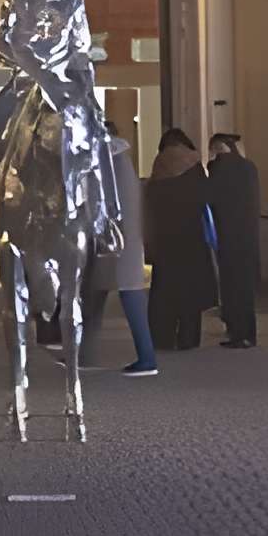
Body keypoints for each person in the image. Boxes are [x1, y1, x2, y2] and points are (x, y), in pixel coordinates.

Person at [82, 133, 160, 378]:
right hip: (122, 244)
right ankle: (84, 354)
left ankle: (147, 359)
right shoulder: (122, 166)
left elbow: (98, 203)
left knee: (126, 297)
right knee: (102, 295)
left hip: (117, 245)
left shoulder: (110, 167)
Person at [144, 131, 216, 352]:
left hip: (166, 238)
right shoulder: (195, 165)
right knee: (189, 291)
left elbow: (151, 202)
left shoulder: (160, 165)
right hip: (191, 236)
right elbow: (205, 198)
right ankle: (188, 337)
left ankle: (161, 337)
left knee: (164, 290)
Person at [207, 132, 263, 348]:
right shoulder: (249, 168)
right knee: (245, 287)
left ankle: (236, 332)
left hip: (227, 236)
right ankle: (248, 332)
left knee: (231, 286)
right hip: (247, 235)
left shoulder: (219, 170)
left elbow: (211, 199)